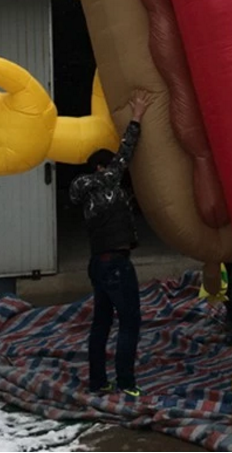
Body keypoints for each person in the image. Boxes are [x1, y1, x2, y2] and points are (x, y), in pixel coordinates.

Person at [69, 89, 153, 396]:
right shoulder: (105, 182)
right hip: (116, 264)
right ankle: (126, 383)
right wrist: (137, 116)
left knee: (101, 323)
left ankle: (97, 381)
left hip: (98, 264)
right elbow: (126, 152)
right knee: (130, 322)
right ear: (103, 168)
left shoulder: (85, 191)